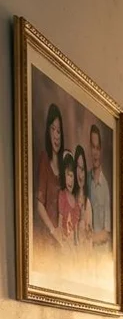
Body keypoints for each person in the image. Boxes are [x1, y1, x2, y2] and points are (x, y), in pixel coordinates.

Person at [36, 102, 64, 245]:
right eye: (53, 129)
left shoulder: (64, 167)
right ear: (48, 131)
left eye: (58, 131)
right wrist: (53, 231)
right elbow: (39, 204)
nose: (56, 136)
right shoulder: (44, 160)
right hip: (47, 239)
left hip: (63, 241)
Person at [87, 124, 111, 246]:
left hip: (100, 254)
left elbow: (107, 233)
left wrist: (90, 240)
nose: (95, 152)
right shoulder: (85, 179)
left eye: (97, 148)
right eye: (92, 147)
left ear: (100, 150)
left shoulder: (105, 187)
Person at [57, 150, 81, 245]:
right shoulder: (62, 195)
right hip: (64, 244)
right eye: (68, 175)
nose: (70, 180)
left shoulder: (76, 201)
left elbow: (76, 232)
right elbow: (60, 224)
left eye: (73, 176)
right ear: (64, 175)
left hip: (74, 248)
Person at [73, 145, 93, 244]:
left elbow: (89, 239)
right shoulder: (70, 199)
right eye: (78, 168)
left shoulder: (87, 204)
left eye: (83, 169)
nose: (81, 174)